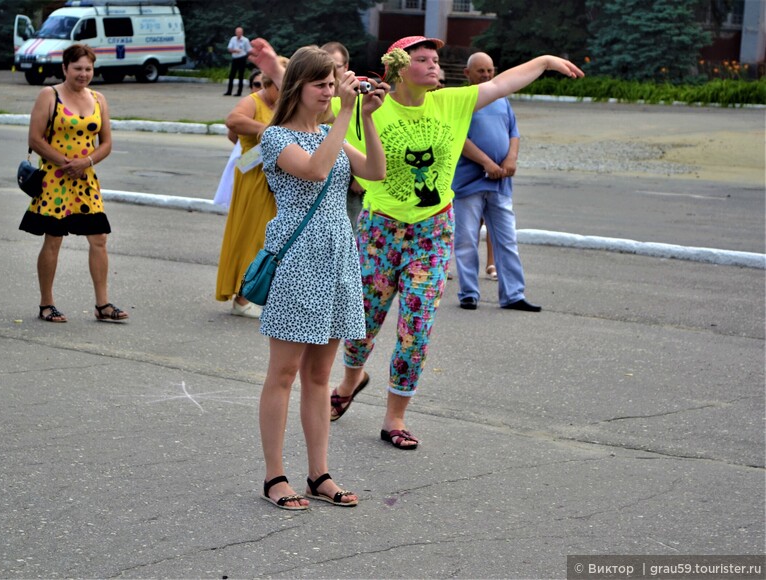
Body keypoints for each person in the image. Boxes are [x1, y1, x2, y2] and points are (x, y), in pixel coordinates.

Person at [248, 35, 582, 450]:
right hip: (379, 228)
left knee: (417, 326)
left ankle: (395, 417)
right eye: (423, 59)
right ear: (400, 67)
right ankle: (352, 378)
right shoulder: (368, 101)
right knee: (363, 324)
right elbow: (310, 91)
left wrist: (546, 57)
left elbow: (502, 84)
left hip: (432, 230)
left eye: (436, 58)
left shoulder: (451, 103)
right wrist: (275, 66)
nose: (434, 65)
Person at [256, 46, 387, 509]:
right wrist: (345, 116)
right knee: (284, 373)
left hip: (337, 258)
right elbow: (313, 171)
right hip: (298, 258)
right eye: (322, 85)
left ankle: (319, 474)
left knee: (318, 377)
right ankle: (275, 477)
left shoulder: (333, 130)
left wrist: (366, 117)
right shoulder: (276, 138)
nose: (330, 92)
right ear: (298, 86)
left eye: (334, 85)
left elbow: (374, 172)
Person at [18, 44, 128, 324]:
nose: (83, 74)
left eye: (88, 68)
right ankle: (46, 304)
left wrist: (86, 163)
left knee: (99, 239)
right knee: (53, 239)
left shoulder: (98, 98)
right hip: (55, 179)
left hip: (86, 179)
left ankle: (102, 304)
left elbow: (106, 144)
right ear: (65, 68)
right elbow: (35, 139)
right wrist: (66, 162)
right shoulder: (49, 95)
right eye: (77, 68)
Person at [453, 52, 540, 312]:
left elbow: (513, 132)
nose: (487, 75)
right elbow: (457, 138)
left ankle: (513, 294)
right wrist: (486, 164)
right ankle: (469, 293)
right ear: (467, 74)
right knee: (466, 239)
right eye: (481, 71)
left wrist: (511, 158)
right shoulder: (461, 101)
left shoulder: (502, 100)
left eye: (490, 70)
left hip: (500, 183)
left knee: (506, 239)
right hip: (468, 184)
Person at [216, 58, 288, 318]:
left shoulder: (283, 103)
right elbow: (232, 122)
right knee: (253, 236)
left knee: (272, 238)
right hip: (254, 178)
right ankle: (242, 297)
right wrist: (268, 131)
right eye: (280, 87)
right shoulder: (254, 101)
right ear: (269, 83)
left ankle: (261, 293)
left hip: (277, 180)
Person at [320, 41, 364, 231]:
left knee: (348, 231)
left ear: (346, 67)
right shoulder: (319, 97)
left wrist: (360, 178)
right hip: (321, 175)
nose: (329, 71)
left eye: (334, 66)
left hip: (351, 180)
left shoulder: (359, 99)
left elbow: (371, 136)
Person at [213, 69, 264, 210]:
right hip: (251, 159)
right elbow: (232, 133)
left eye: (265, 84)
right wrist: (250, 149)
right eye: (257, 84)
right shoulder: (249, 104)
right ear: (251, 86)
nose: (260, 88)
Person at [223, 27, 251, 97]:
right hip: (235, 58)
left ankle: (239, 92)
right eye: (237, 32)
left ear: (242, 33)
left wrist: (247, 57)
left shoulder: (245, 40)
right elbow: (229, 48)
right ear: (235, 32)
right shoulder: (233, 39)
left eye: (240, 32)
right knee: (231, 75)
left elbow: (249, 50)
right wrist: (235, 50)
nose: (238, 33)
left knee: (240, 75)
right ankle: (229, 91)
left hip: (242, 58)